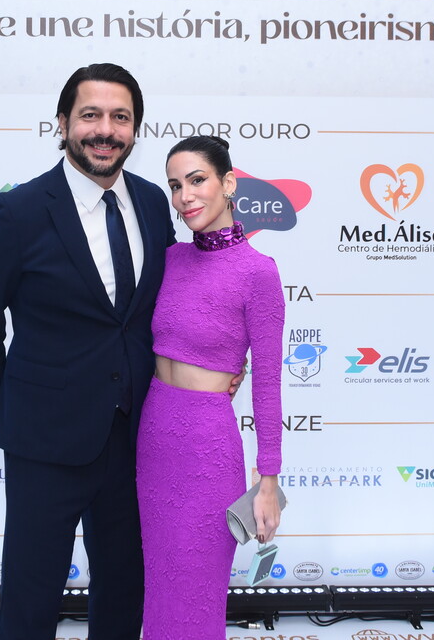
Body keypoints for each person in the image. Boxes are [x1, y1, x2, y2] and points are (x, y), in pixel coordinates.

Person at [0, 63, 175, 640]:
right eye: (90, 115)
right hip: (43, 439)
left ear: (135, 128)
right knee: (32, 596)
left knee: (125, 587)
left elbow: (162, 309)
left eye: (120, 117)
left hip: (135, 433)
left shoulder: (154, 203)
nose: (105, 130)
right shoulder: (19, 211)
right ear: (63, 123)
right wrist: (1, 417)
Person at [138, 135, 286, 640]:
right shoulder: (169, 259)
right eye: (175, 185)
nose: (185, 196)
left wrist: (268, 483)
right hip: (152, 438)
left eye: (197, 180)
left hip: (207, 446)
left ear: (228, 183)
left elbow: (268, 384)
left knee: (197, 591)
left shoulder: (258, 273)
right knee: (157, 589)